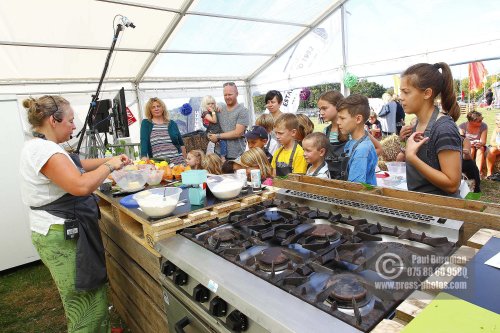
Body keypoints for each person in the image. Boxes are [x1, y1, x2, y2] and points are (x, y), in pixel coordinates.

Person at [19, 95, 131, 332]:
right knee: (83, 303)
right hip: (62, 235)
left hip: (61, 230)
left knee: (92, 295)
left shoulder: (43, 146)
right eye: (70, 121)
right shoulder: (44, 151)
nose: (74, 126)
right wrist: (109, 167)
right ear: (53, 120)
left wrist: (110, 158)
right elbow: (80, 185)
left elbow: (78, 163)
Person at [400, 62, 462, 197]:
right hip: (422, 206)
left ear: (427, 93)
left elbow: (452, 184)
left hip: (442, 211)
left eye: (406, 92)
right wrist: (404, 143)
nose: (401, 97)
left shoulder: (444, 129)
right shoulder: (415, 124)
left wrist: (412, 158)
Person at [319, 90, 383, 156]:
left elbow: (379, 149)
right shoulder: (326, 131)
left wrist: (359, 158)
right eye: (320, 109)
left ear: (338, 105)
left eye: (324, 108)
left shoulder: (353, 129)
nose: (321, 113)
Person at [336, 94, 378, 185]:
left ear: (358, 119)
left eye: (342, 118)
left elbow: (355, 188)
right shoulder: (351, 143)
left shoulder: (362, 150)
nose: (338, 122)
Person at [207, 82, 249, 160]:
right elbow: (209, 122)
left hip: (236, 155)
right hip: (218, 154)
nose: (227, 97)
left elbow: (238, 133)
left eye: (230, 94)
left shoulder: (243, 111)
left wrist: (217, 136)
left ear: (237, 94)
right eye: (225, 95)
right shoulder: (219, 109)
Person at [140, 97, 186, 164]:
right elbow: (144, 141)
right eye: (153, 107)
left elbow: (181, 145)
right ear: (149, 110)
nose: (156, 109)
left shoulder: (172, 123)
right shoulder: (146, 123)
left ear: (163, 108)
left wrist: (185, 161)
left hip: (178, 161)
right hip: (160, 164)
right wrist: (143, 156)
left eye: (158, 106)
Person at [458, 111, 488, 177]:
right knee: (471, 149)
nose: (481, 121)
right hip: (467, 145)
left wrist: (479, 143)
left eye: (482, 119)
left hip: (479, 146)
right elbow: (461, 141)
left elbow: (483, 141)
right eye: (479, 121)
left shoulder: (484, 126)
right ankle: (470, 170)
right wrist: (469, 143)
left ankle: (478, 172)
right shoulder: (462, 126)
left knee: (481, 149)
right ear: (471, 121)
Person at [486, 113, 500, 178]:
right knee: (492, 150)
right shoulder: (496, 129)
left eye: (499, 120)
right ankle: (489, 172)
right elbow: (491, 141)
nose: (498, 122)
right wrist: (497, 145)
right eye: (497, 120)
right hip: (498, 147)